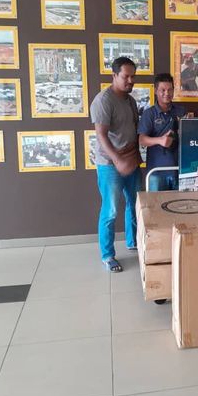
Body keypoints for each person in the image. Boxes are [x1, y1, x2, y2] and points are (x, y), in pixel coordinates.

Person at [90, 57, 141, 273]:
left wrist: (133, 157)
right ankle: (107, 255)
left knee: (135, 204)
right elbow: (101, 135)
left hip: (130, 160)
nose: (130, 81)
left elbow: (134, 130)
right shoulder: (103, 100)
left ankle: (133, 242)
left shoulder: (130, 101)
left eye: (133, 77)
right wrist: (117, 159)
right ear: (114, 75)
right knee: (110, 210)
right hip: (109, 164)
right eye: (126, 76)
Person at [138, 73, 186, 191]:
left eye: (170, 90)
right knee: (156, 203)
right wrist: (160, 140)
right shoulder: (149, 113)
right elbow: (141, 140)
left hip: (180, 171)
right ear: (156, 91)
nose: (167, 93)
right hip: (156, 172)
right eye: (163, 90)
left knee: (181, 202)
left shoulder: (181, 111)